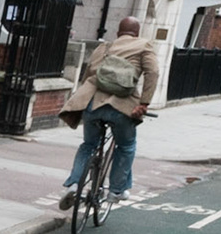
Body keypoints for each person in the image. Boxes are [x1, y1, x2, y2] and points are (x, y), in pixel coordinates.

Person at [58, 16, 158, 206]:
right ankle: (116, 190)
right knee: (126, 146)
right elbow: (153, 73)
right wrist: (144, 103)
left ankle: (73, 186)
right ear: (137, 34)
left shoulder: (104, 47)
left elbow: (88, 75)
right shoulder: (144, 46)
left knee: (88, 145)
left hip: (93, 105)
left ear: (118, 33)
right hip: (121, 107)